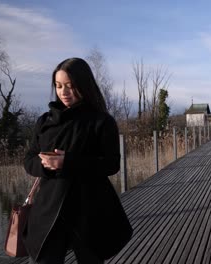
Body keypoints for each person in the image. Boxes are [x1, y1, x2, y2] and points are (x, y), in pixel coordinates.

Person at [23, 58, 133, 264]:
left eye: (70, 86)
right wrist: (44, 165)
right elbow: (29, 159)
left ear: (84, 85)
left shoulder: (101, 121)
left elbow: (111, 164)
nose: (63, 92)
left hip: (88, 211)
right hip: (49, 211)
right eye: (58, 86)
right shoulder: (45, 122)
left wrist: (69, 163)